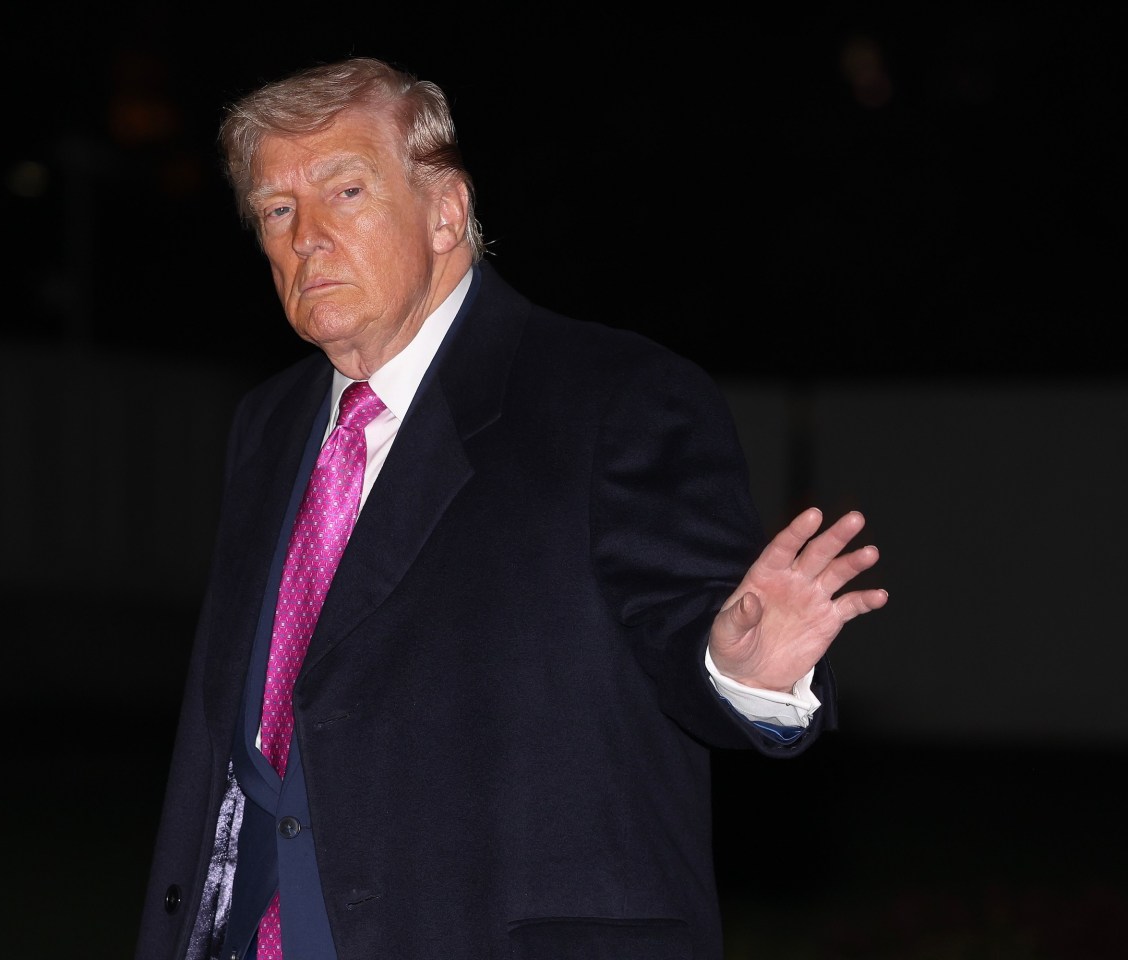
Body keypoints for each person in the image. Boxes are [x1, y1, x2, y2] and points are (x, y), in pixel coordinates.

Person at [134, 57, 887, 960]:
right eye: (276, 210)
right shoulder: (268, 423)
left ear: (446, 211)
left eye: (345, 191)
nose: (307, 238)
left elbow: (690, 625)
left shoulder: (611, 397)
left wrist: (738, 668)